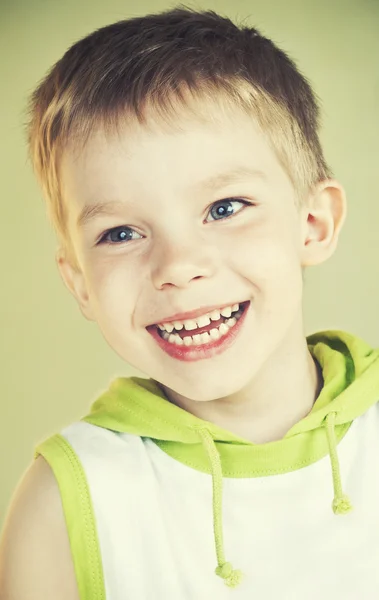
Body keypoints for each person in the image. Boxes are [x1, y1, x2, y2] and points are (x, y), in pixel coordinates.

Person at [1, 5, 379, 599]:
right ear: (79, 282)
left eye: (224, 208)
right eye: (120, 234)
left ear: (312, 223)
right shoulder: (64, 503)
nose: (177, 267)